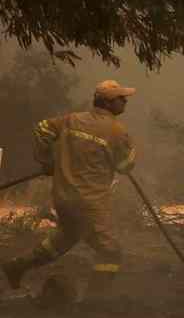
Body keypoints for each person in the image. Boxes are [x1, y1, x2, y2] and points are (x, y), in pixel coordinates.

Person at [3, 80, 137, 299]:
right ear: (110, 103)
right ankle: (95, 300)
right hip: (90, 202)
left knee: (65, 238)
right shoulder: (117, 131)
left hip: (63, 197)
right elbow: (125, 166)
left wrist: (47, 161)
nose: (125, 102)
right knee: (110, 251)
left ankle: (17, 266)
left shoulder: (71, 120)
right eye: (122, 98)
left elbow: (42, 129)